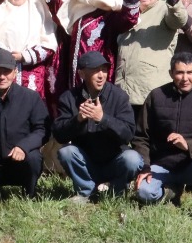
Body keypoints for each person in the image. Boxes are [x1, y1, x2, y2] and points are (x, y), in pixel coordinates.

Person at [134, 52, 192, 222]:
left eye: (190, 72)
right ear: (171, 73)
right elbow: (141, 137)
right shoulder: (156, 96)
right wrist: (145, 167)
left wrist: (189, 145)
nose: (185, 78)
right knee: (144, 193)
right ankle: (171, 191)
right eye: (179, 73)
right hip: (161, 166)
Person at [54, 51, 143, 201]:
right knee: (66, 152)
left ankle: (116, 191)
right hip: (87, 161)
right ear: (82, 74)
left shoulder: (119, 96)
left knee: (133, 159)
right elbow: (59, 135)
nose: (101, 75)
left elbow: (128, 133)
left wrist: (103, 119)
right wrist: (78, 120)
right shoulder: (69, 98)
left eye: (104, 70)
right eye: (95, 71)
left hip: (114, 159)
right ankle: (85, 192)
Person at [113, 0, 189, 137]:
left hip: (152, 91)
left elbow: (179, 19)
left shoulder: (164, 9)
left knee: (151, 140)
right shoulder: (128, 13)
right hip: (124, 91)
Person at [0, 49, 50, 202]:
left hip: (21, 160)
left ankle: (30, 192)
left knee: (34, 159)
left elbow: (43, 129)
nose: (1, 77)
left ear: (15, 73)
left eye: (6, 71)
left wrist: (23, 147)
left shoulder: (30, 98)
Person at [55, 0, 125, 94]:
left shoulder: (113, 14)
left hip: (98, 73)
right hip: (75, 71)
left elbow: (129, 19)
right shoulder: (83, 6)